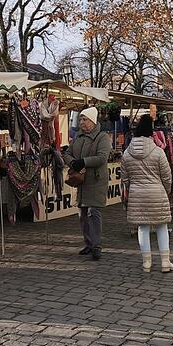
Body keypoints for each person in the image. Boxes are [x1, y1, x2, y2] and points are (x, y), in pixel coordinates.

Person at [121, 115, 173, 273]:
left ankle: (146, 262)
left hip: (137, 195)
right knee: (161, 226)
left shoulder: (127, 153)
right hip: (157, 192)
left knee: (142, 228)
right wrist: (166, 190)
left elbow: (125, 177)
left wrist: (133, 188)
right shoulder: (158, 152)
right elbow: (167, 176)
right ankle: (165, 262)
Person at [63, 106, 113, 260]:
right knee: (82, 214)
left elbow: (102, 157)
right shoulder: (78, 136)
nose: (82, 122)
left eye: (84, 119)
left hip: (96, 181)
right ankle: (89, 243)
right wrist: (73, 163)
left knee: (94, 213)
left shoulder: (102, 137)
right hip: (81, 182)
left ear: (92, 121)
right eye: (81, 119)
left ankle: (96, 246)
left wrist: (83, 162)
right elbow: (67, 154)